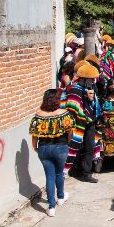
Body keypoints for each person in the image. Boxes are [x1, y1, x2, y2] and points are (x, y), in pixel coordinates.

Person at [29, 89, 75, 217]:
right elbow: (70, 131)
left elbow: (34, 136)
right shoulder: (64, 113)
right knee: (59, 173)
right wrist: (67, 142)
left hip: (44, 148)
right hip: (60, 147)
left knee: (49, 176)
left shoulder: (38, 115)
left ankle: (51, 207)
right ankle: (60, 198)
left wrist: (35, 148)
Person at [63, 64, 102, 183]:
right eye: (90, 79)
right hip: (78, 123)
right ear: (84, 79)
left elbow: (94, 105)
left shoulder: (92, 88)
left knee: (90, 147)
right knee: (76, 146)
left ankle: (87, 173)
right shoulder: (75, 89)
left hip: (90, 123)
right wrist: (83, 117)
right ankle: (74, 169)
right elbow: (73, 107)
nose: (92, 81)